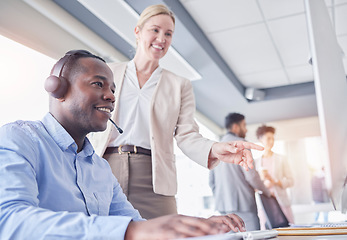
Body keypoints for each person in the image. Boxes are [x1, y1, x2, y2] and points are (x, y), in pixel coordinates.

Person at [0, 50, 247, 239]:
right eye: (98, 84)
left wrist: (198, 226)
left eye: (112, 89)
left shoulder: (99, 168)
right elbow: (9, 221)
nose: (110, 96)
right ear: (58, 88)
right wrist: (129, 231)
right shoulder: (19, 140)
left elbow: (136, 225)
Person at [89, 4, 263, 219]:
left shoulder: (179, 85)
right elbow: (87, 119)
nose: (161, 38)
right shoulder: (108, 72)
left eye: (168, 33)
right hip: (105, 169)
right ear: (138, 31)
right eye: (155, 30)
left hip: (154, 177)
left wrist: (216, 147)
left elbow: (187, 135)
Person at [209, 113, 272, 231]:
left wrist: (221, 196)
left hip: (222, 206)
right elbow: (252, 177)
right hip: (243, 205)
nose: (246, 129)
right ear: (235, 127)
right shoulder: (241, 144)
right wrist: (267, 192)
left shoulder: (216, 147)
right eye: (244, 125)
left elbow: (211, 181)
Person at [255, 124, 295, 227]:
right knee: (266, 232)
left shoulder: (282, 159)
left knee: (289, 231)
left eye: (273, 138)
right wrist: (262, 180)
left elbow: (291, 181)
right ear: (260, 140)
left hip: (281, 202)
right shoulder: (256, 162)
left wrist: (275, 181)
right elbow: (254, 187)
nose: (271, 142)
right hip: (265, 204)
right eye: (268, 139)